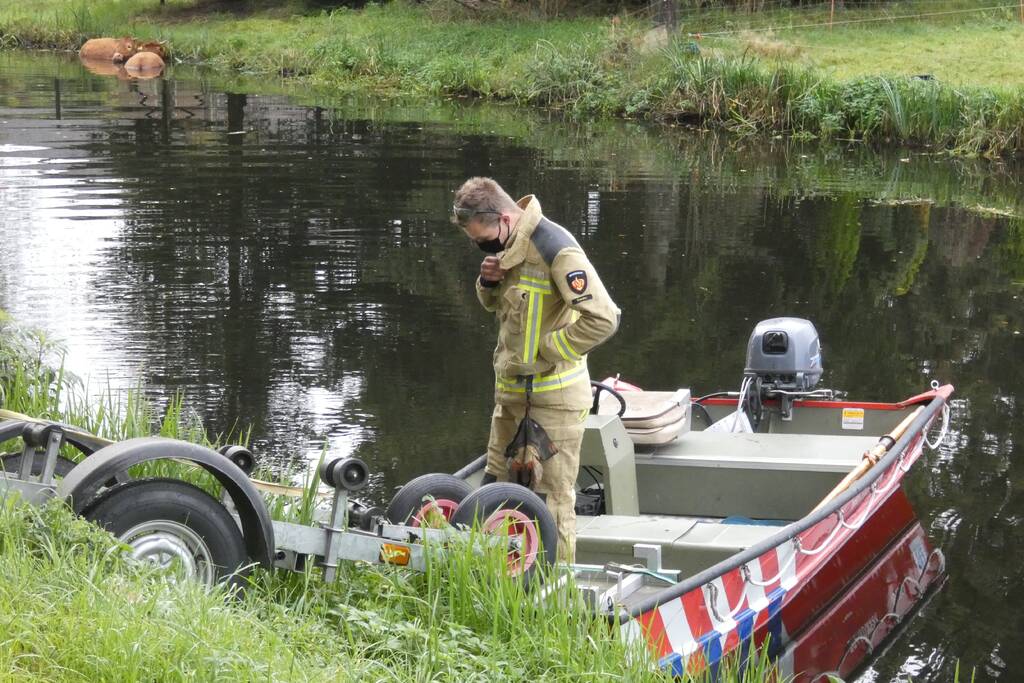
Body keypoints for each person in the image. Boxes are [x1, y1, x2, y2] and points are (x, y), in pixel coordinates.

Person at [452, 177, 620, 563]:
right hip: (510, 395)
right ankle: (496, 582)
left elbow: (604, 319)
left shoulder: (554, 249)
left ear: (505, 218)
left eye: (485, 238)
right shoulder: (510, 247)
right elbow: (503, 309)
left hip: (553, 400)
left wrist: (550, 349)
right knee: (494, 488)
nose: (482, 245)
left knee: (552, 501)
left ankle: (555, 595)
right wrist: (486, 282)